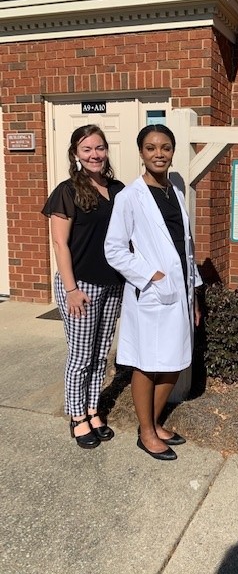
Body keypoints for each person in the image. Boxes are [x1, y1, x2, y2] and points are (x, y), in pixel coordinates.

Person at [104, 124, 202, 461]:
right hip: (151, 294)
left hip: (180, 292)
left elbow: (185, 246)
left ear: (173, 152)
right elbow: (114, 249)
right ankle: (146, 431)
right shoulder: (130, 197)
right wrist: (152, 275)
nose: (158, 154)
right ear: (141, 153)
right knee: (147, 365)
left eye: (165, 147)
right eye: (151, 148)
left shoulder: (175, 191)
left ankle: (156, 422)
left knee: (174, 362)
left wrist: (195, 293)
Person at [42, 125, 125, 449]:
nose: (94, 154)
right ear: (76, 154)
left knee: (101, 354)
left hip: (112, 284)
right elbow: (60, 244)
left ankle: (93, 410)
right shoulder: (67, 191)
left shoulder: (117, 190)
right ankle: (77, 416)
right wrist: (71, 289)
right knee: (80, 356)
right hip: (80, 286)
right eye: (87, 149)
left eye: (99, 148)